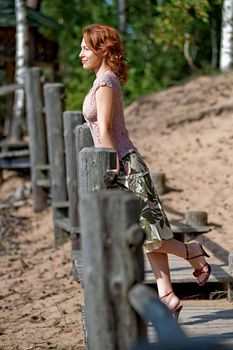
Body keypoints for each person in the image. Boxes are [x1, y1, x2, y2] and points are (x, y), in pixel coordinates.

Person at [79, 23, 211, 320]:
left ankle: (191, 251)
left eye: (86, 48)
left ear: (102, 50)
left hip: (123, 164)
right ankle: (167, 294)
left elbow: (106, 131)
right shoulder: (102, 80)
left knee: (145, 232)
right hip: (123, 162)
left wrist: (112, 170)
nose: (80, 54)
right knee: (149, 231)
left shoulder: (105, 82)